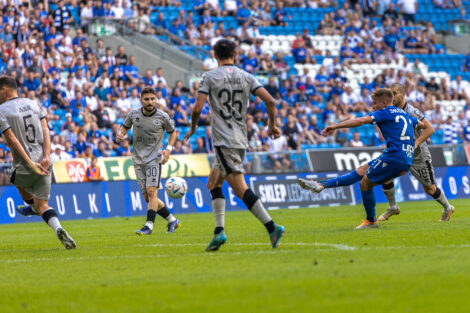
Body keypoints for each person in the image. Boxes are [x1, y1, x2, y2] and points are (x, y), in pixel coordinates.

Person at [184, 39, 285, 252]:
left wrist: (193, 128)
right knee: (213, 183)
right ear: (235, 53)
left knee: (240, 189)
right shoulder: (247, 76)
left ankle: (271, 226)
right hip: (239, 137)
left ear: (214, 55)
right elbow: (271, 101)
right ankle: (218, 232)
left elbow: (196, 109)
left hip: (224, 140)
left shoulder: (209, 76)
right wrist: (271, 125)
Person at [298, 88, 425, 229]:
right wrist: (413, 136)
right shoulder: (406, 115)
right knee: (361, 171)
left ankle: (371, 221)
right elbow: (422, 124)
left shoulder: (385, 112)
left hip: (394, 156)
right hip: (404, 157)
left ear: (384, 103)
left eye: (375, 103)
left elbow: (362, 120)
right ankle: (321, 185)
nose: (373, 106)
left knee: (365, 183)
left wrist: (335, 126)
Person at [0, 76, 76, 249]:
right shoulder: (34, 104)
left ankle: (30, 206)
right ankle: (59, 228)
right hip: (45, 162)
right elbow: (46, 131)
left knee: (15, 179)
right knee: (43, 205)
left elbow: (12, 140)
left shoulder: (2, 110)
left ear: (4, 90)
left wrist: (29, 163)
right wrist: (47, 156)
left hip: (26, 164)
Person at [378, 84, 455, 222]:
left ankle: (447, 208)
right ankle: (393, 207)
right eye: (390, 94)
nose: (392, 97)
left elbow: (430, 129)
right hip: (400, 153)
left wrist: (416, 143)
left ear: (403, 94)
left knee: (430, 189)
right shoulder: (391, 110)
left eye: (395, 93)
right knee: (385, 176)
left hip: (418, 156)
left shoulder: (411, 111)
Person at [116, 87, 181, 235]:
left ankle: (149, 226)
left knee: (152, 192)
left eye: (152, 99)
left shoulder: (163, 117)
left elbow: (172, 133)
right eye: (147, 99)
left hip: (154, 158)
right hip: (138, 160)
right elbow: (124, 128)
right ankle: (172, 220)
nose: (150, 102)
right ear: (141, 100)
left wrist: (169, 149)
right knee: (148, 197)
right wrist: (119, 134)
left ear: (156, 99)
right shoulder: (133, 115)